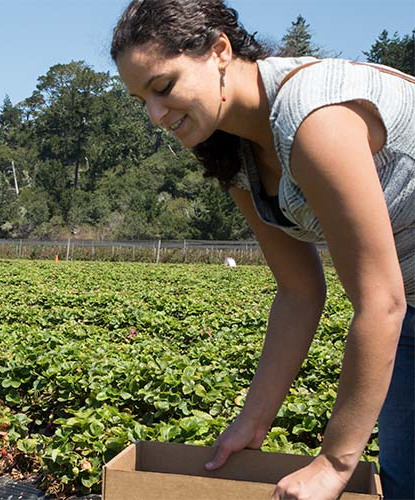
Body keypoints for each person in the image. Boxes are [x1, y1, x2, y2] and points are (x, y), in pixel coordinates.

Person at [110, 1, 414, 498]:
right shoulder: (232, 149)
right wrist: (253, 421)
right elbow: (298, 291)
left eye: (163, 87)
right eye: (140, 98)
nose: (155, 114)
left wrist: (336, 462)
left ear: (220, 50)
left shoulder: (313, 118)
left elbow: (381, 301)